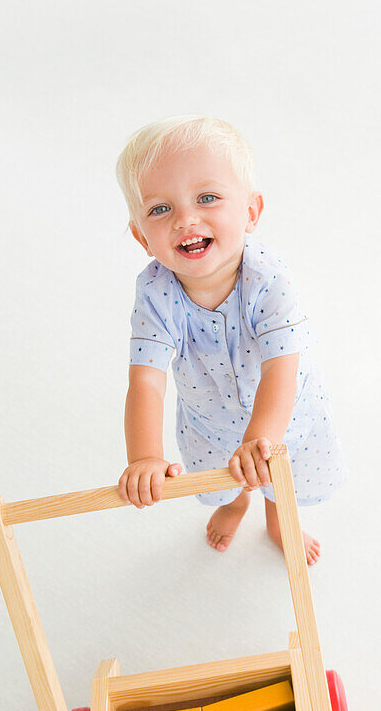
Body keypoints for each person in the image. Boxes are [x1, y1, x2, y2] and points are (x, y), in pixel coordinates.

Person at [115, 115, 346, 565]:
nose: (185, 218)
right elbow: (147, 380)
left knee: (277, 473)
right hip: (209, 420)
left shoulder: (267, 276)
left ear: (251, 213)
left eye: (207, 198)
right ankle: (235, 503)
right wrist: (144, 456)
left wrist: (261, 437)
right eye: (160, 209)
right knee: (222, 480)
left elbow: (282, 362)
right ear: (143, 236)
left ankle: (280, 519)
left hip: (283, 414)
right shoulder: (155, 293)